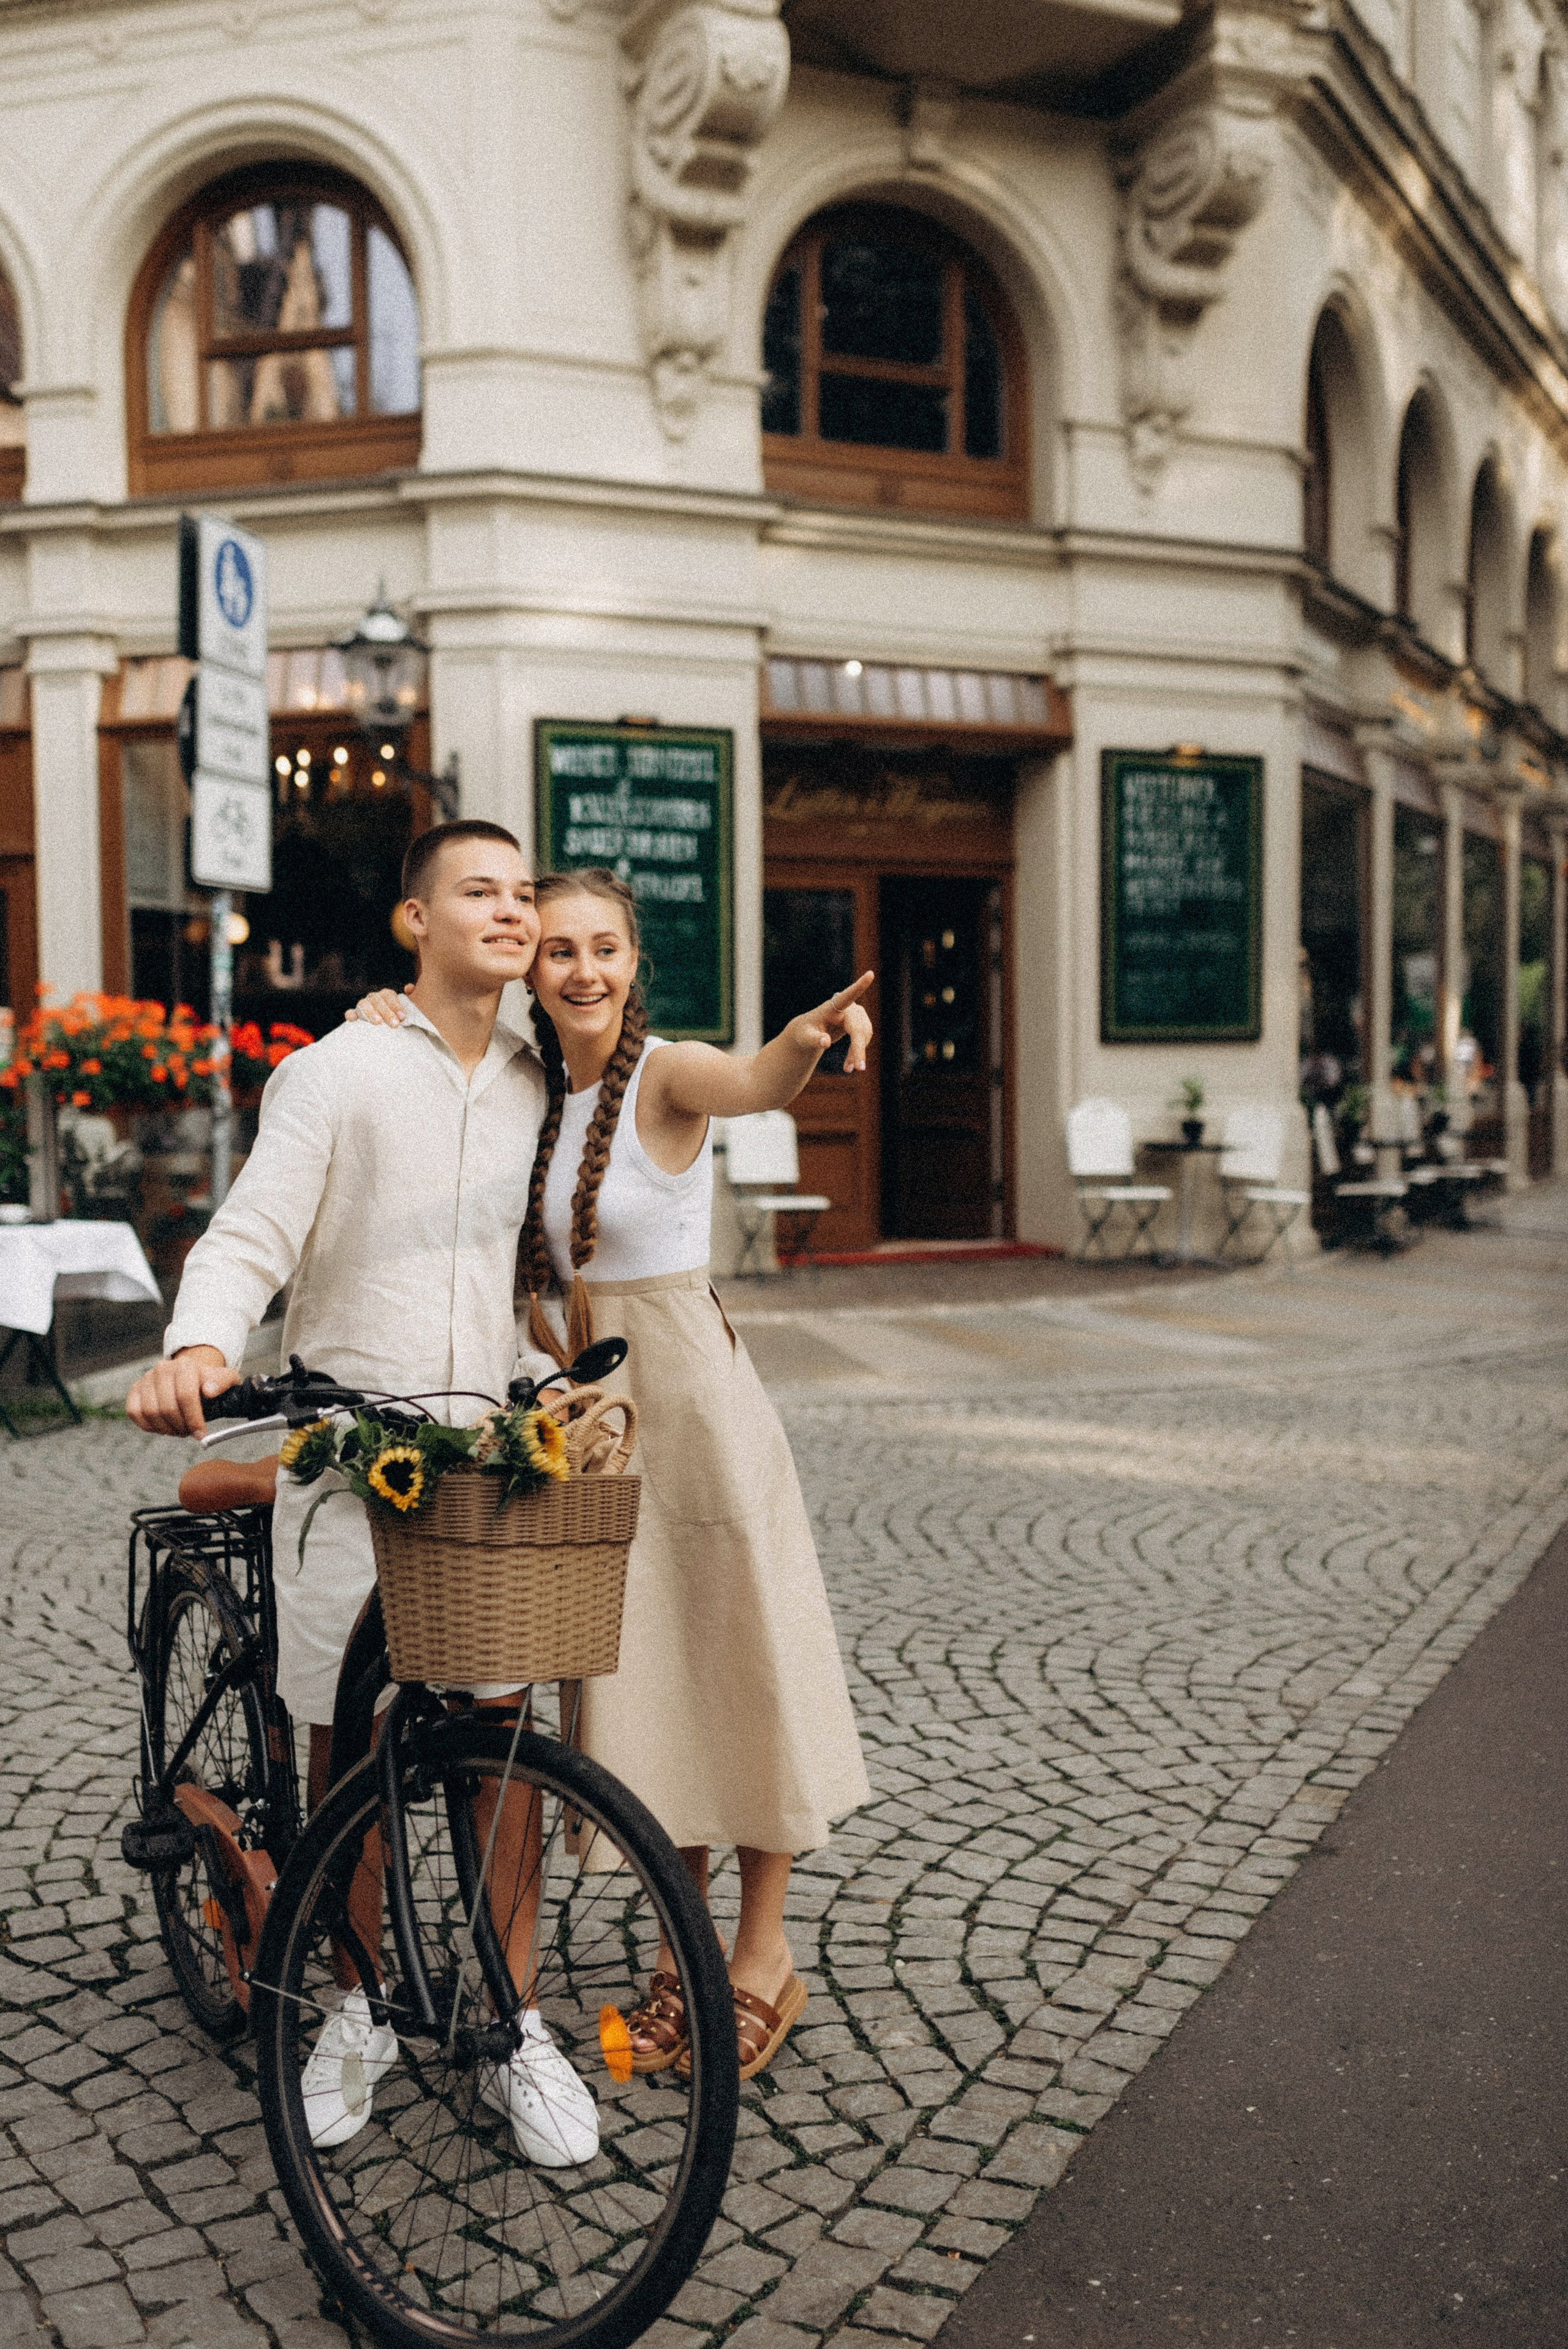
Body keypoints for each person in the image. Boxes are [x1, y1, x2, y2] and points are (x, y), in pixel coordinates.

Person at [347, 867, 873, 2083]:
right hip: (598, 1420)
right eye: (560, 951)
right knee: (643, 1686)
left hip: (693, 1407)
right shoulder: (542, 1097)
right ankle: (677, 1945)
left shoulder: (667, 1072)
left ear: (635, 964)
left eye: (606, 949)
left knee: (737, 1662)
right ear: (531, 969)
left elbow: (752, 1081)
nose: (582, 969)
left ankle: (759, 1954)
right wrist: (391, 1009)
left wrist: (804, 1034)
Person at [126, 821, 600, 2168]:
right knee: (354, 1747)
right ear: (416, 921)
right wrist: (199, 1342)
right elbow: (249, 1234)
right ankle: (358, 2006)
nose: (510, 912)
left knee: (501, 1741)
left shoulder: (539, 1079)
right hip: (346, 1442)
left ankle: (512, 2023)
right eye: (480, 892)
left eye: (523, 892)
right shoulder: (334, 1070)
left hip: (491, 1446)